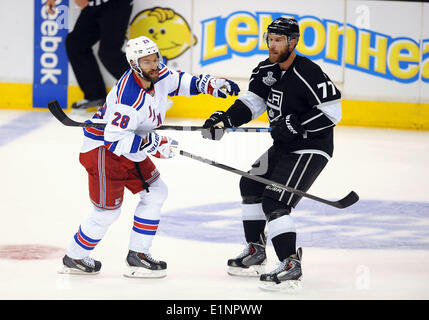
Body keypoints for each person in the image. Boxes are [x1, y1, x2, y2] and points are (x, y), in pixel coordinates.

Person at [58, 36, 240, 277]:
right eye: (147, 62)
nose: (154, 65)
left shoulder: (158, 73)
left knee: (156, 192)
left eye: (155, 58)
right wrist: (153, 145)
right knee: (107, 212)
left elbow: (181, 82)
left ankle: (138, 255)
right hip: (103, 152)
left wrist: (210, 85)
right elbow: (115, 140)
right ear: (134, 64)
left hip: (128, 145)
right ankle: (75, 256)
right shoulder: (128, 98)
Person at [201, 17, 342, 290]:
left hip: (311, 146)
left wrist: (296, 125)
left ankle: (290, 263)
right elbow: (253, 102)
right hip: (284, 145)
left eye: (279, 40)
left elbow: (332, 112)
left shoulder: (308, 72)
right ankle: (256, 249)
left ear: (293, 42)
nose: (273, 45)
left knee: (275, 200)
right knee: (250, 183)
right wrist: (225, 121)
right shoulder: (266, 69)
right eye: (270, 39)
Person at [46, 0, 133, 109]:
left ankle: (145, 89)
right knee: (76, 43)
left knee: (109, 53)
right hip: (95, 5)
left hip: (115, 4)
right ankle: (95, 96)